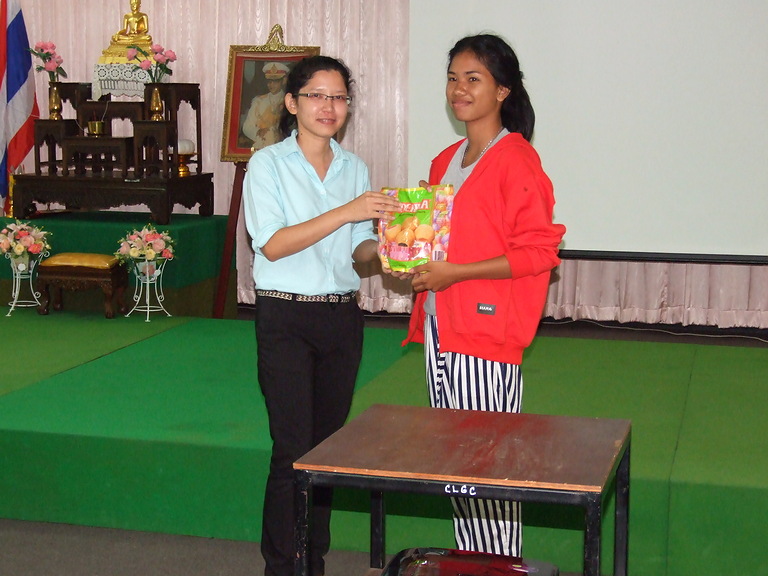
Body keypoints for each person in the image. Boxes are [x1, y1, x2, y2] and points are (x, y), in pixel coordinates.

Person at [398, 34, 566, 557]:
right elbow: (439, 241)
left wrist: (456, 274)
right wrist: (413, 258)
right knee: (456, 463)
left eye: (474, 79)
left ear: (502, 90)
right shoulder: (445, 160)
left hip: (486, 335)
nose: (459, 89)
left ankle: (497, 565)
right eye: (453, 78)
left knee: (487, 465)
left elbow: (539, 252)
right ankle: (471, 564)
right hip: (440, 327)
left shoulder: (516, 159)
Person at [242, 55, 400, 576]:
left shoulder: (354, 168)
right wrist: (348, 211)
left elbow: (358, 249)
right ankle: (282, 566)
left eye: (339, 97)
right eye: (317, 95)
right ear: (292, 103)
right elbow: (272, 243)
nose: (329, 107)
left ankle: (314, 560)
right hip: (285, 317)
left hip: (340, 320)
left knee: (325, 451)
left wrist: (394, 251)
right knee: (291, 449)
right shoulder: (267, 164)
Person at [242, 62, 290, 149]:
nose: (271, 85)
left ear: (283, 81)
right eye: (269, 81)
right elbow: (247, 127)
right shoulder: (258, 101)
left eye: (275, 81)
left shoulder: (289, 101)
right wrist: (258, 132)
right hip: (261, 145)